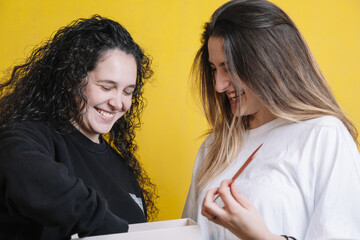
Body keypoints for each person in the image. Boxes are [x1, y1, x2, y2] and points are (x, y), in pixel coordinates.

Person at [182, 0, 360, 239]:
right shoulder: (215, 146)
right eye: (214, 69)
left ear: (269, 63)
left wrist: (259, 236)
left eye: (228, 67)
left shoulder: (323, 135)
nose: (219, 85)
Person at [0, 15, 157, 239]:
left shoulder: (123, 170)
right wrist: (103, 224)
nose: (117, 102)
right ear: (71, 79)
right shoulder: (28, 138)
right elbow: (16, 167)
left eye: (127, 91)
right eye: (106, 87)